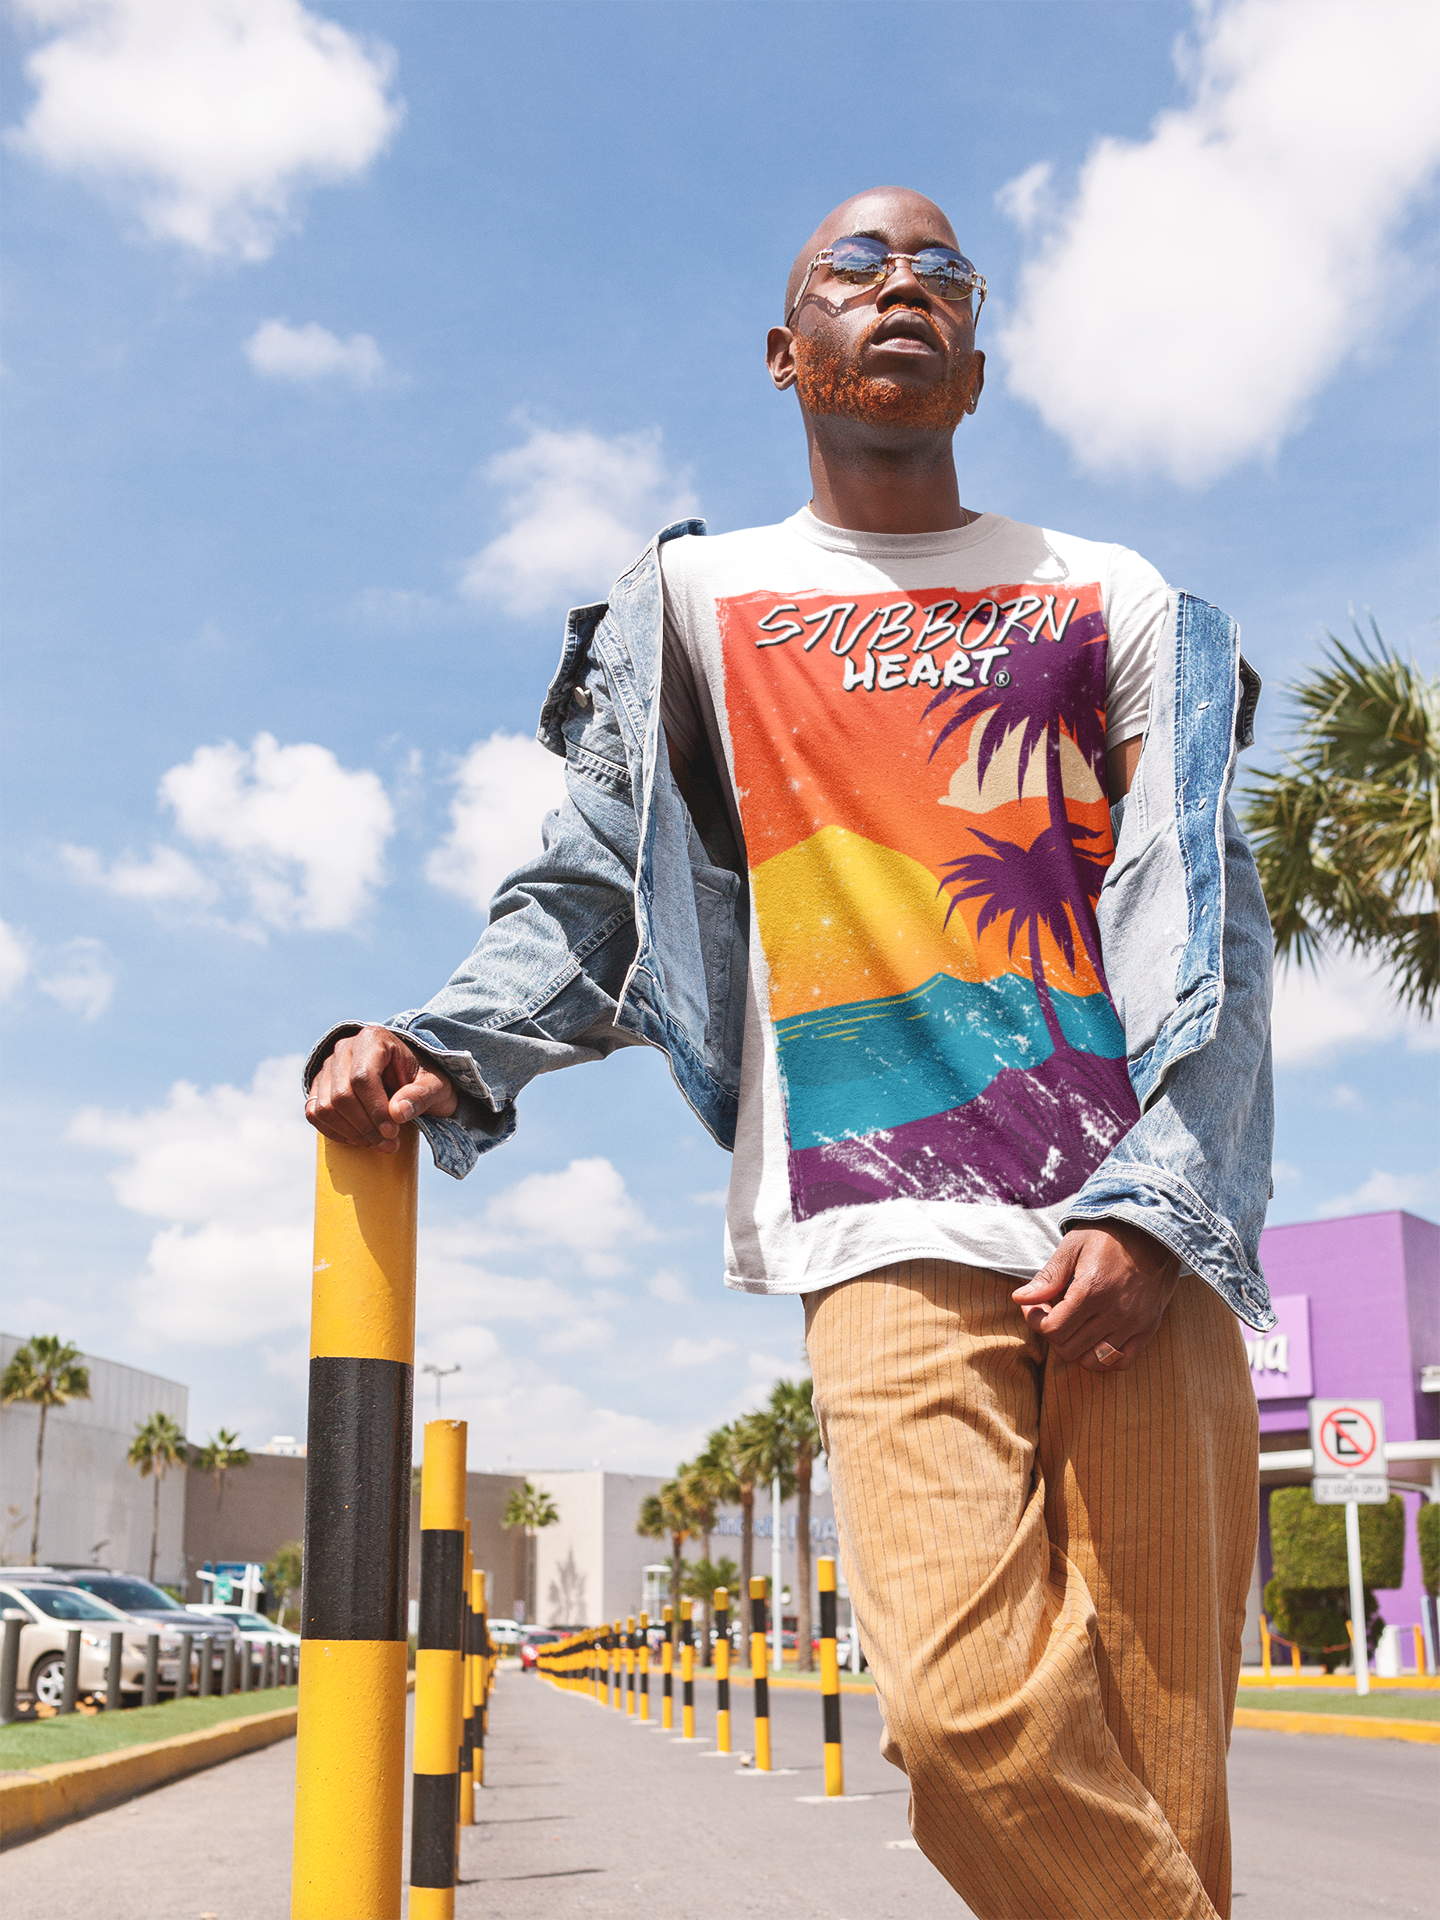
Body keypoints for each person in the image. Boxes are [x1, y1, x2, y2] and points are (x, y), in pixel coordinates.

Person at [305, 187, 1273, 1920]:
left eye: (942, 275)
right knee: (967, 1722)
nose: (903, 285)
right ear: (785, 352)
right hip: (879, 1216)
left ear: (974, 364)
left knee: (1155, 1753)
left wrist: (1159, 1205)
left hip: (1132, 1224)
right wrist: (446, 1041)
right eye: (857, 267)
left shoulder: (1107, 592)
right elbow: (602, 882)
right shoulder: (702, 602)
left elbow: (1208, 924)